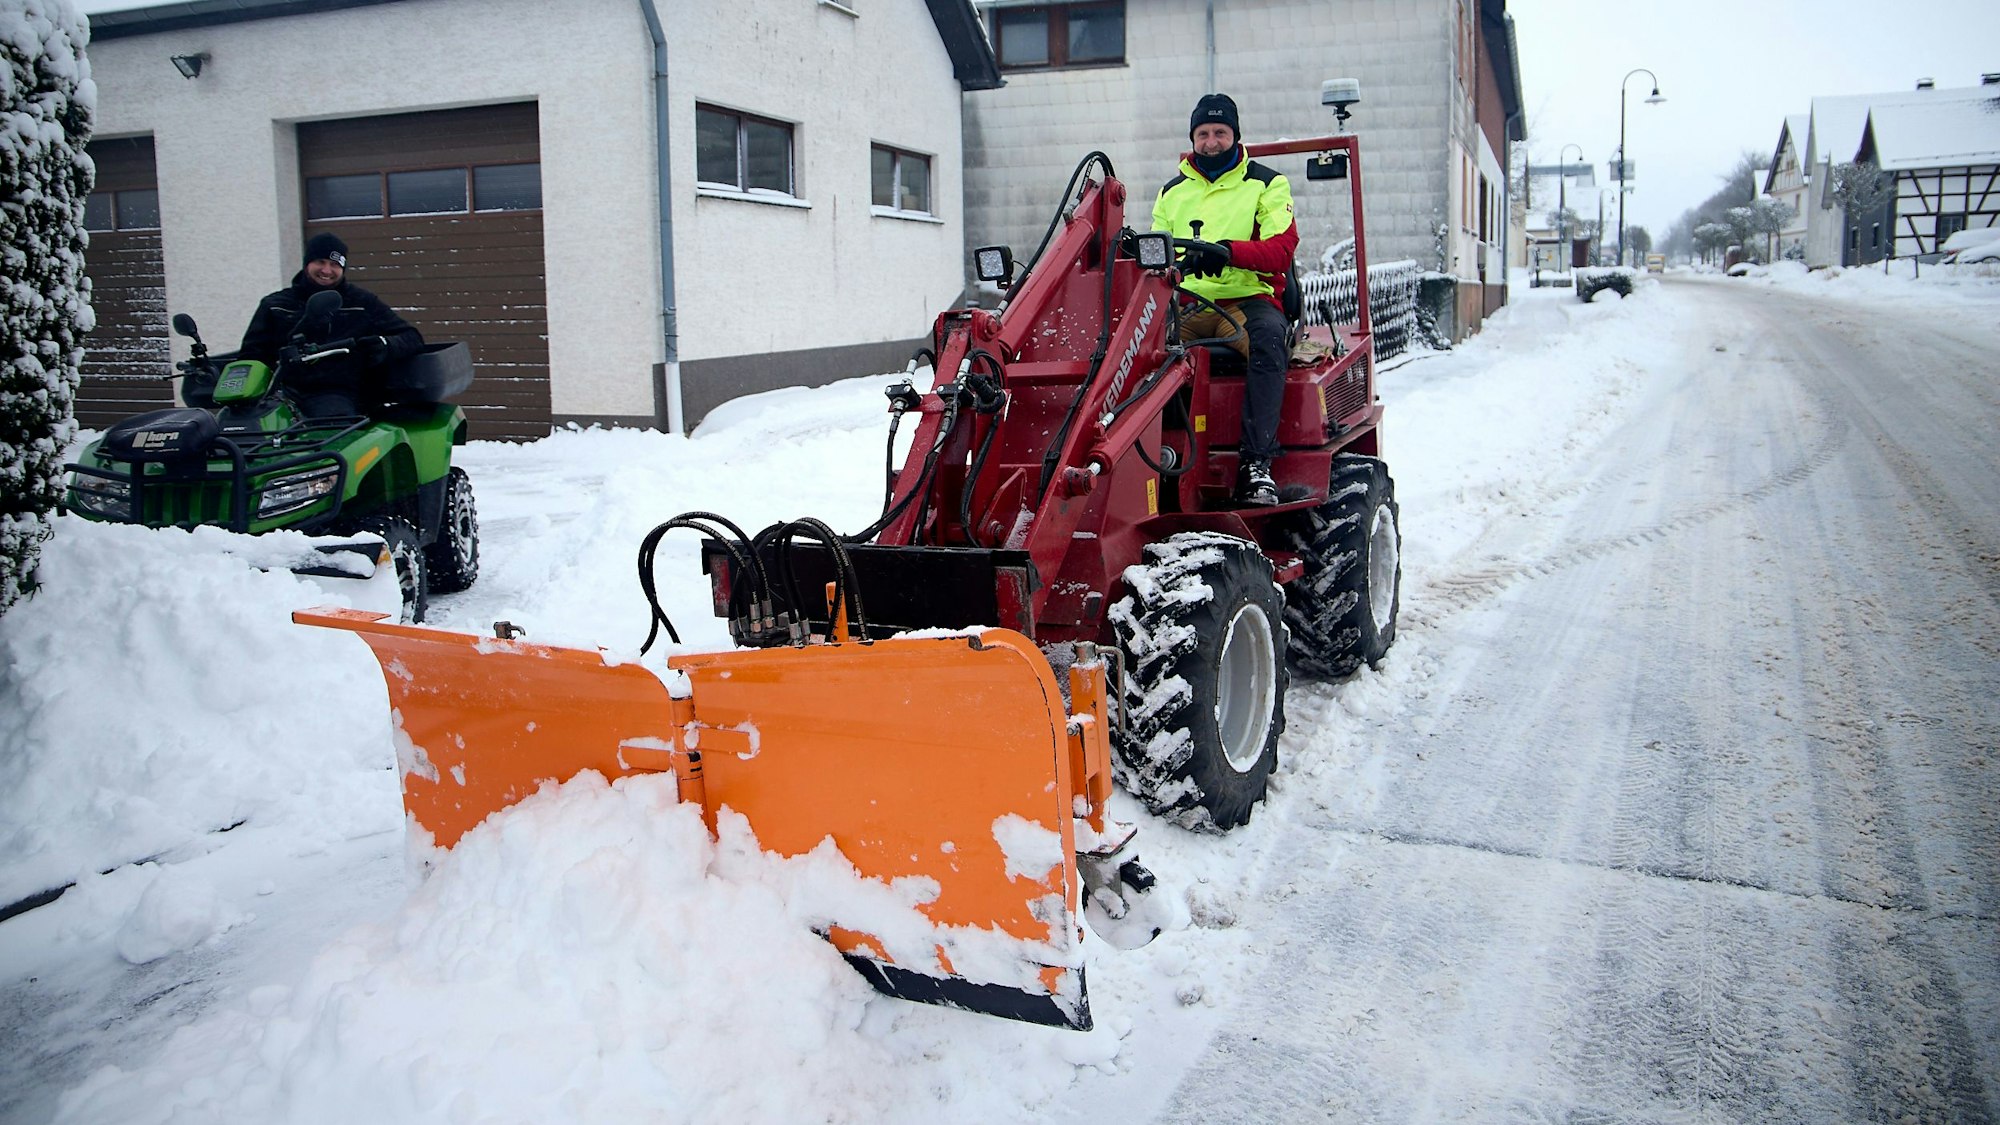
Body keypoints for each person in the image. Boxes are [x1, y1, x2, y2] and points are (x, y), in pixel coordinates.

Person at [1152, 93, 1299, 506]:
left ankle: (1256, 465)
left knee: (1268, 343)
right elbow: (1154, 255)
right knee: (1137, 351)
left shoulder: (1267, 183)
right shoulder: (1171, 192)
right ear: (1193, 138)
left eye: (1220, 132)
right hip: (1189, 305)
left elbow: (1281, 248)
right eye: (1203, 133)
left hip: (1247, 304)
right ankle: (1152, 454)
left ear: (1235, 135)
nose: (1211, 141)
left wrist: (1226, 251)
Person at [238, 232, 423, 419]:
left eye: (335, 265)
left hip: (336, 394)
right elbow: (251, 355)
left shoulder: (361, 303)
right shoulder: (276, 305)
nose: (327, 270)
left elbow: (411, 336)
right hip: (282, 392)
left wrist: (385, 344)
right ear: (307, 263)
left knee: (331, 426)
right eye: (320, 261)